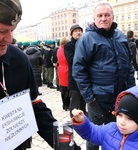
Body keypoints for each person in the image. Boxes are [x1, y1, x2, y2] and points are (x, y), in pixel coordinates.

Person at [0, 1, 81, 150]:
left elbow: (38, 108)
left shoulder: (19, 58)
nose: (10, 38)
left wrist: (70, 146)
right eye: (2, 31)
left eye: (13, 30)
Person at [72, 2, 136, 150]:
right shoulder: (87, 39)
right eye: (100, 15)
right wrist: (90, 98)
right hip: (98, 100)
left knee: (117, 134)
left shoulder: (120, 37)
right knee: (94, 137)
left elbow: (129, 66)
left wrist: (131, 93)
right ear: (94, 18)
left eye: (107, 15)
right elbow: (78, 70)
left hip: (119, 99)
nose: (103, 18)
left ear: (112, 17)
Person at [71, 85, 138, 150]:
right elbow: (91, 132)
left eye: (129, 118)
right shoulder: (109, 130)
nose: (122, 122)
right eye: (119, 115)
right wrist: (81, 122)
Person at [64, 24, 86, 117]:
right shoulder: (69, 45)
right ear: (72, 33)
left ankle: (83, 121)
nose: (79, 32)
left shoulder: (85, 43)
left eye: (80, 31)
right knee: (75, 103)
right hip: (74, 79)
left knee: (83, 103)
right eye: (76, 31)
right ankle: (74, 121)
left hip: (85, 78)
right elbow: (71, 60)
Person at [57, 37, 70, 111]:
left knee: (63, 89)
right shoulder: (66, 50)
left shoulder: (59, 49)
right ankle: (67, 105)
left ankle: (64, 105)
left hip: (61, 69)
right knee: (67, 89)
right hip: (66, 69)